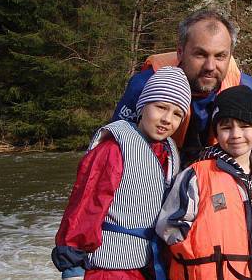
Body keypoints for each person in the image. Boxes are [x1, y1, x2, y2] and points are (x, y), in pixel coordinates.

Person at [51, 66, 192, 280]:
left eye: (177, 114)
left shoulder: (169, 151)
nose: (167, 119)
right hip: (108, 268)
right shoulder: (114, 148)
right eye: (161, 107)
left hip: (147, 265)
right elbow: (86, 205)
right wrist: (73, 267)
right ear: (143, 106)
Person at [155, 85, 252, 280]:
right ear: (216, 132)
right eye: (226, 127)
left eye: (244, 126)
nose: (235, 134)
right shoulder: (196, 174)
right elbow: (169, 227)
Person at [112, 9, 252, 164]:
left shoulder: (246, 90)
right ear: (180, 52)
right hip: (155, 169)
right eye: (200, 54)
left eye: (220, 56)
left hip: (215, 175)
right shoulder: (145, 85)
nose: (210, 66)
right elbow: (115, 146)